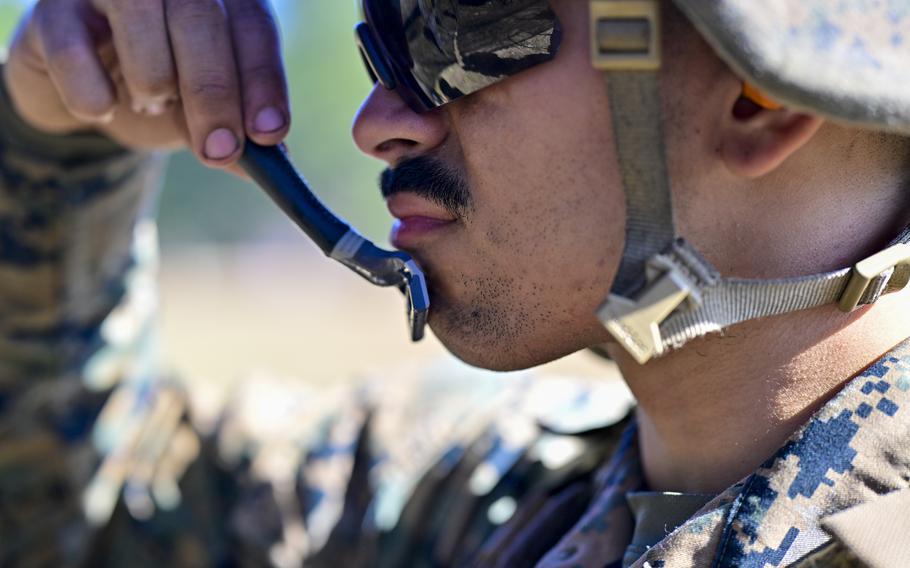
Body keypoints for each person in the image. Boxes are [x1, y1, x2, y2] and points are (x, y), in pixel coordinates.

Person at [2, 0, 909, 566]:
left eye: (461, 29)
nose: (379, 124)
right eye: (384, 39)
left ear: (762, 93)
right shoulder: (487, 500)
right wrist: (65, 140)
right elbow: (87, 511)